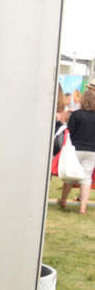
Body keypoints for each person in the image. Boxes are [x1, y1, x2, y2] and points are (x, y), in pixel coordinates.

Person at [57, 84, 95, 214]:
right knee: (86, 178)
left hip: (75, 149)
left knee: (70, 176)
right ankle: (83, 207)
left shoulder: (76, 115)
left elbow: (70, 132)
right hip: (92, 151)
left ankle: (63, 200)